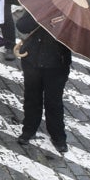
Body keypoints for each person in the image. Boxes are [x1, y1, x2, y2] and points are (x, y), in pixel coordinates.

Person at [14, 11, 72, 153]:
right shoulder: (40, 8)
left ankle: (58, 137)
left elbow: (74, 39)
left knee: (54, 102)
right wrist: (41, 18)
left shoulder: (71, 17)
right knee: (31, 97)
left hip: (56, 65)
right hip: (32, 61)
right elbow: (22, 26)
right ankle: (29, 129)